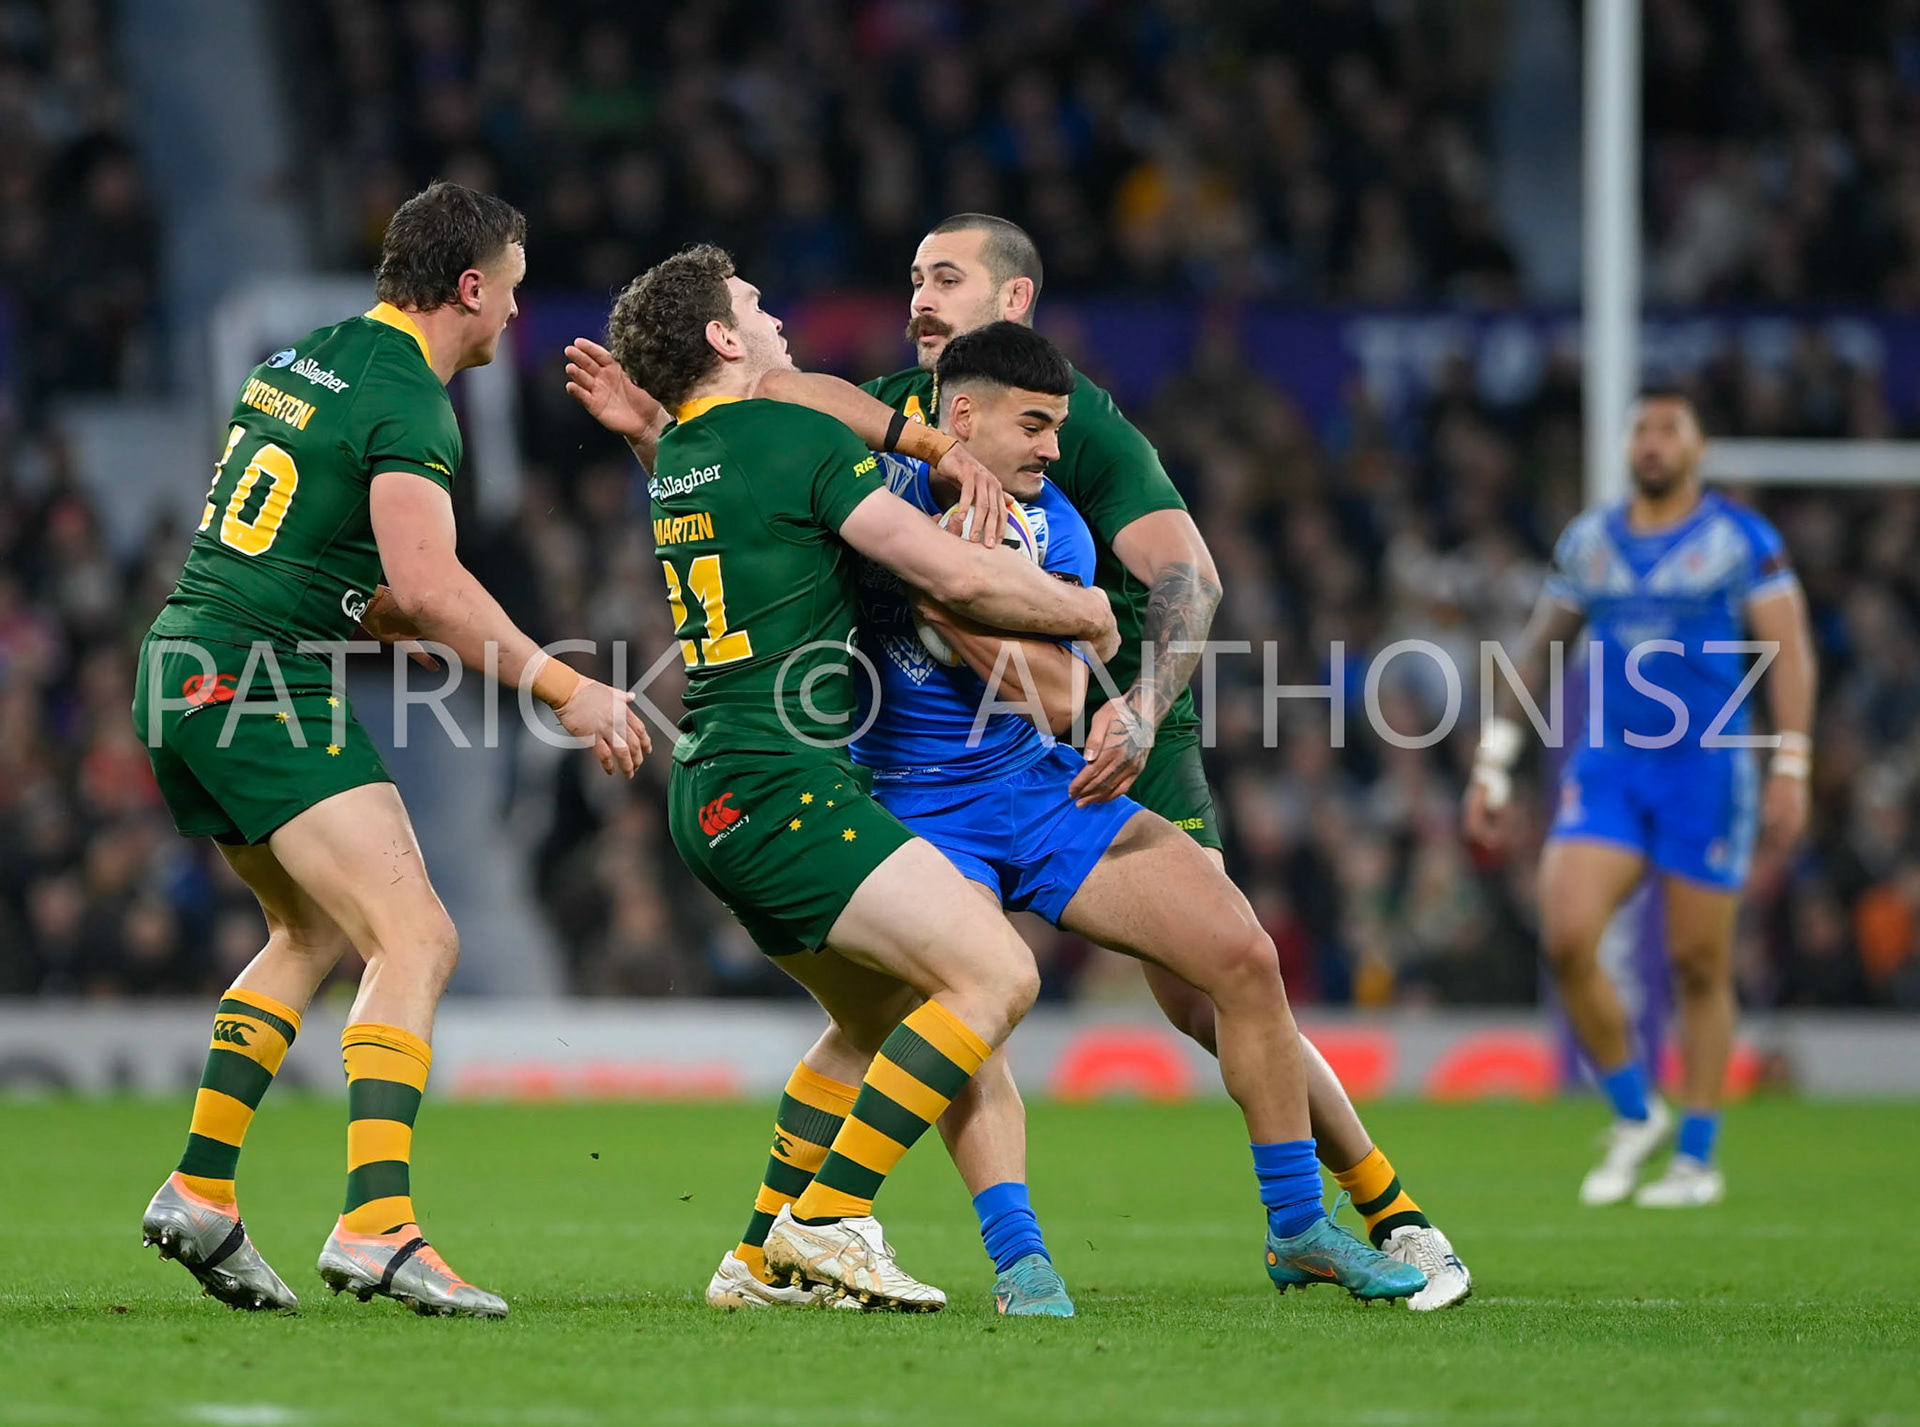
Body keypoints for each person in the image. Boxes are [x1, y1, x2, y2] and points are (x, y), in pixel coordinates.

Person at [719, 321, 1428, 1313]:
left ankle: (1301, 1225)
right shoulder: (874, 486)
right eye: (1037, 424)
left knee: (1244, 957)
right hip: (914, 807)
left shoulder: (1055, 528)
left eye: (1057, 427)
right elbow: (782, 389)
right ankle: (1020, 1259)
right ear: (962, 416)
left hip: (1042, 787)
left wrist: (949, 601)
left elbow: (1057, 699)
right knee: (976, 1014)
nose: (1055, 448)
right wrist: (943, 540)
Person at [858, 214, 1471, 1308]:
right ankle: (984, 1248)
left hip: (1120, 720)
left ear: (1014, 305)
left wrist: (1133, 698)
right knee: (968, 993)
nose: (918, 298)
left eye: (945, 278)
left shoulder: (1073, 422)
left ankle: (1363, 1212)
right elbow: (776, 408)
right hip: (946, 746)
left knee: (1220, 974)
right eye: (913, 277)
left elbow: (1189, 576)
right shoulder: (885, 411)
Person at [135, 181, 649, 1318]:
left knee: (310, 928)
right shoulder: (412, 400)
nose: (516, 316)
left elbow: (318, 557)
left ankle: (201, 1185)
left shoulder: (302, 358)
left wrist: (396, 622)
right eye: (510, 292)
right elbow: (425, 582)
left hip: (180, 660)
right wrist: (565, 684)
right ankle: (378, 1223)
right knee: (417, 933)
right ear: (468, 287)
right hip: (251, 676)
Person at [606, 243, 1116, 1309]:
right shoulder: (784, 434)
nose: (778, 321)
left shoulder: (685, 459)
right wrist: (1084, 611)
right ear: (721, 336)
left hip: (713, 789)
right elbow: (944, 571)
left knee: (878, 1015)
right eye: (756, 304)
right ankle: (831, 1217)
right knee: (997, 977)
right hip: (788, 781)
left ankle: (753, 1259)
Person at [1463, 391, 1816, 1207]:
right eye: (1642, 430)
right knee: (1566, 934)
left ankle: (1697, 1155)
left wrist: (1791, 763)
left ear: (1698, 448)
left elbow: (1786, 652)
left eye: (1670, 430)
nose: (1652, 443)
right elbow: (1537, 652)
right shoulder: (1592, 541)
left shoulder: (1738, 541)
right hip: (1612, 765)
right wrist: (1494, 761)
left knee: (1699, 961)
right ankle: (1634, 1109)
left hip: (1707, 768)